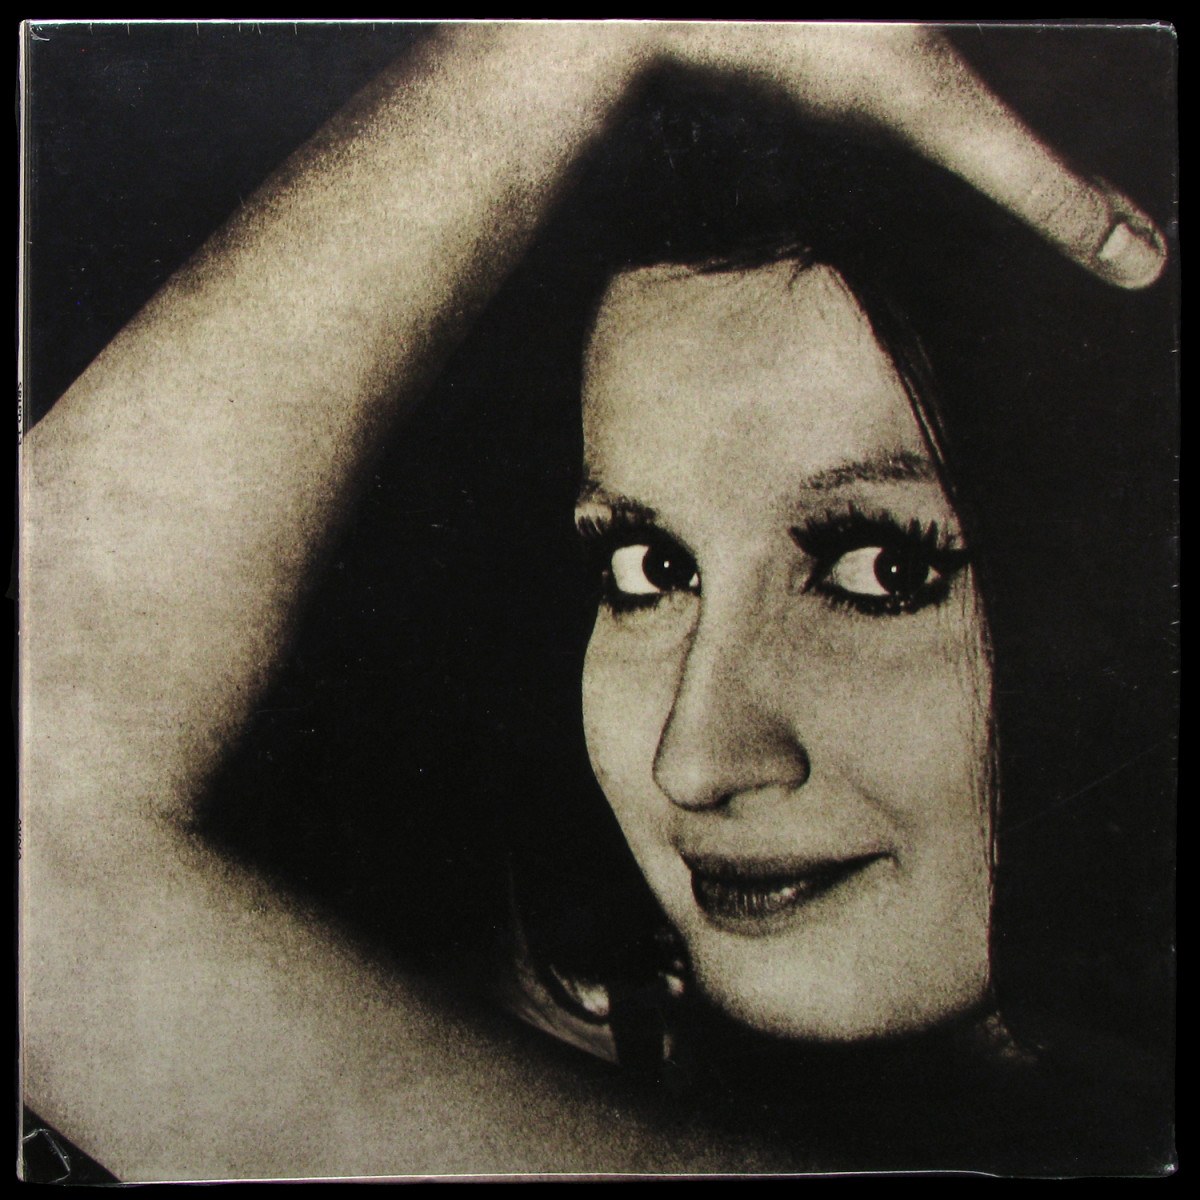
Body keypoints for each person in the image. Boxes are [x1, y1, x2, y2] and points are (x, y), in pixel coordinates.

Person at [20, 22, 1174, 1180]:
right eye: (649, 570)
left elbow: (39, 845)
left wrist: (566, 38)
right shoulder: (605, 1008)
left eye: (882, 570)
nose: (696, 757)